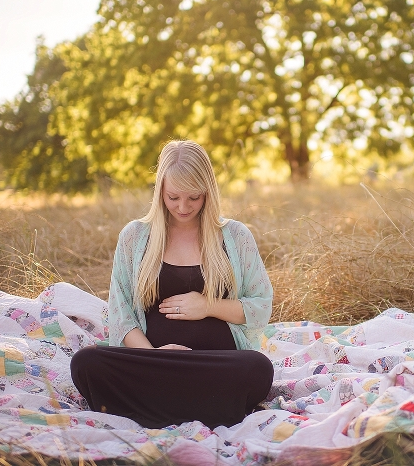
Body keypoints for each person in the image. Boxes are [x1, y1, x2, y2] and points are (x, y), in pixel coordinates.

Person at [70, 140, 274, 429]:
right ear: (160, 191)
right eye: (173, 197)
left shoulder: (235, 236)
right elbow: (121, 312)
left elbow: (260, 306)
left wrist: (208, 306)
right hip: (151, 364)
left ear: (208, 191)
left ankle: (154, 406)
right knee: (85, 363)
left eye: (194, 197)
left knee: (258, 368)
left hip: (215, 366)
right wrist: (154, 356)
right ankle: (205, 407)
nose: (183, 207)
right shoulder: (134, 237)